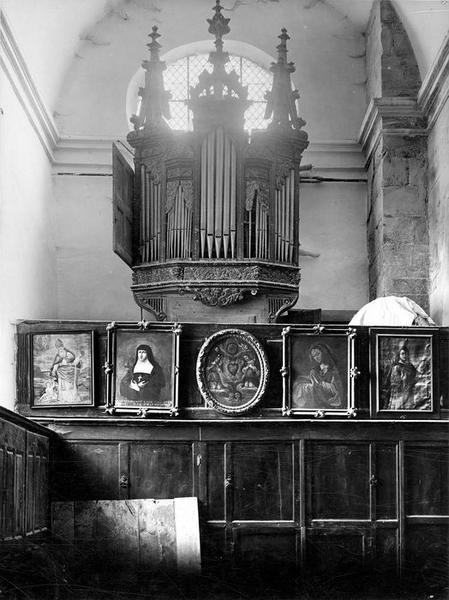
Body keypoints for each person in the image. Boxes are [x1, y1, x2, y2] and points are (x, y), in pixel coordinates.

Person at [292, 343, 343, 409]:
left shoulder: (333, 370)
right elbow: (313, 384)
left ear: (324, 353)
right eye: (314, 356)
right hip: (317, 402)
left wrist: (320, 385)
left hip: (331, 403)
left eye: (318, 354)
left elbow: (337, 390)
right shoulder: (314, 371)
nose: (316, 357)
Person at [48, 338, 83, 402]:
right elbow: (56, 363)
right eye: (58, 348)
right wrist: (54, 370)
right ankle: (63, 398)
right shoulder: (58, 355)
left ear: (63, 346)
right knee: (63, 385)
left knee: (69, 385)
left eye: (60, 347)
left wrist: (68, 359)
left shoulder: (68, 353)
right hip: (61, 372)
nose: (59, 349)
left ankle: (71, 398)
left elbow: (73, 361)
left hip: (69, 371)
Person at [384, 344, 417, 410]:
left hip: (409, 391)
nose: (405, 355)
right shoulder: (396, 367)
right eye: (402, 354)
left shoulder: (411, 366)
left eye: (406, 354)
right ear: (399, 355)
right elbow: (395, 381)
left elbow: (415, 377)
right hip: (399, 393)